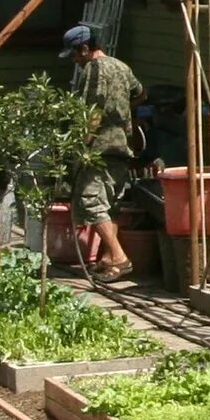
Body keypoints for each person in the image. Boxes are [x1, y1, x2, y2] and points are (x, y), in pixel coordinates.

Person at [63, 23, 143, 278]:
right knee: (110, 203)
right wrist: (123, 114)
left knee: (91, 201)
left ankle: (119, 257)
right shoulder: (122, 66)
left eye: (75, 55)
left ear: (85, 49)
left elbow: (94, 109)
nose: (75, 61)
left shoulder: (94, 68)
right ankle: (108, 259)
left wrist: (83, 144)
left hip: (99, 147)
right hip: (121, 145)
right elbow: (140, 93)